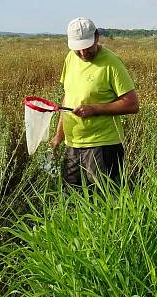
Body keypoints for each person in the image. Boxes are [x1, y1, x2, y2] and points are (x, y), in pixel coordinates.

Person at [51, 17, 139, 187]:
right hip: (73, 145)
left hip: (103, 146)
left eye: (87, 47)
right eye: (78, 49)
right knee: (72, 200)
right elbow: (68, 97)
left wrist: (95, 109)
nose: (83, 53)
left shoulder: (112, 62)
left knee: (105, 202)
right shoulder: (70, 58)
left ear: (97, 37)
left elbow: (132, 104)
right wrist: (58, 136)